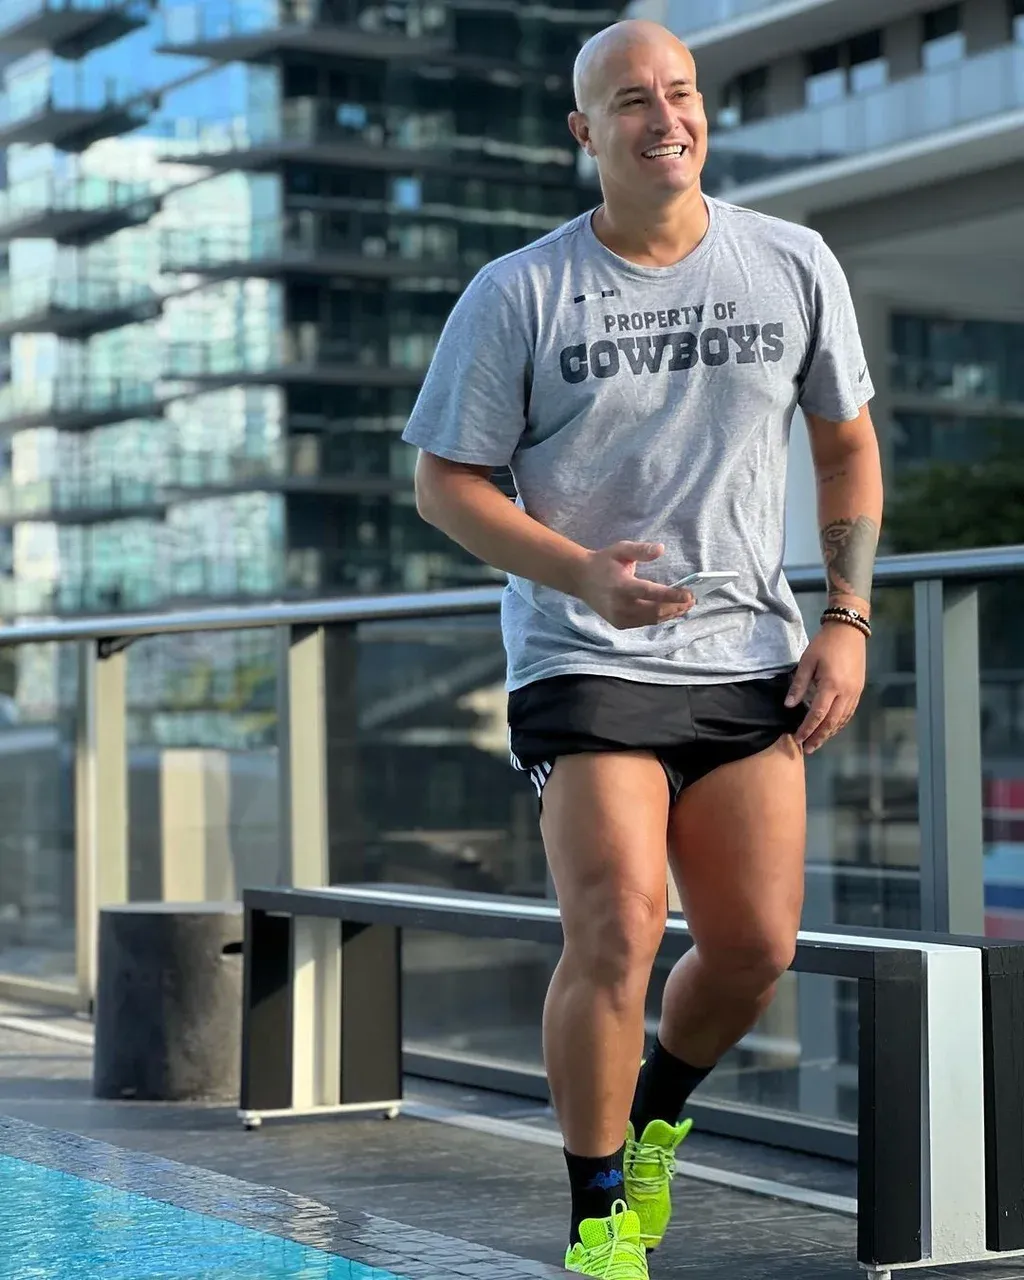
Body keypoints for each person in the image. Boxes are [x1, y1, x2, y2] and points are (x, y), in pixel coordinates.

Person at [402, 18, 883, 1278]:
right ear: (584, 131)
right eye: (630, 100)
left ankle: (656, 1111)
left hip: (748, 656)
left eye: (680, 92)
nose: (663, 118)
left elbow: (845, 444)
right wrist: (579, 575)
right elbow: (444, 483)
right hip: (581, 653)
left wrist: (846, 616)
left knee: (755, 949)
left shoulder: (791, 261)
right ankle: (598, 1215)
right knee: (618, 923)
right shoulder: (518, 290)